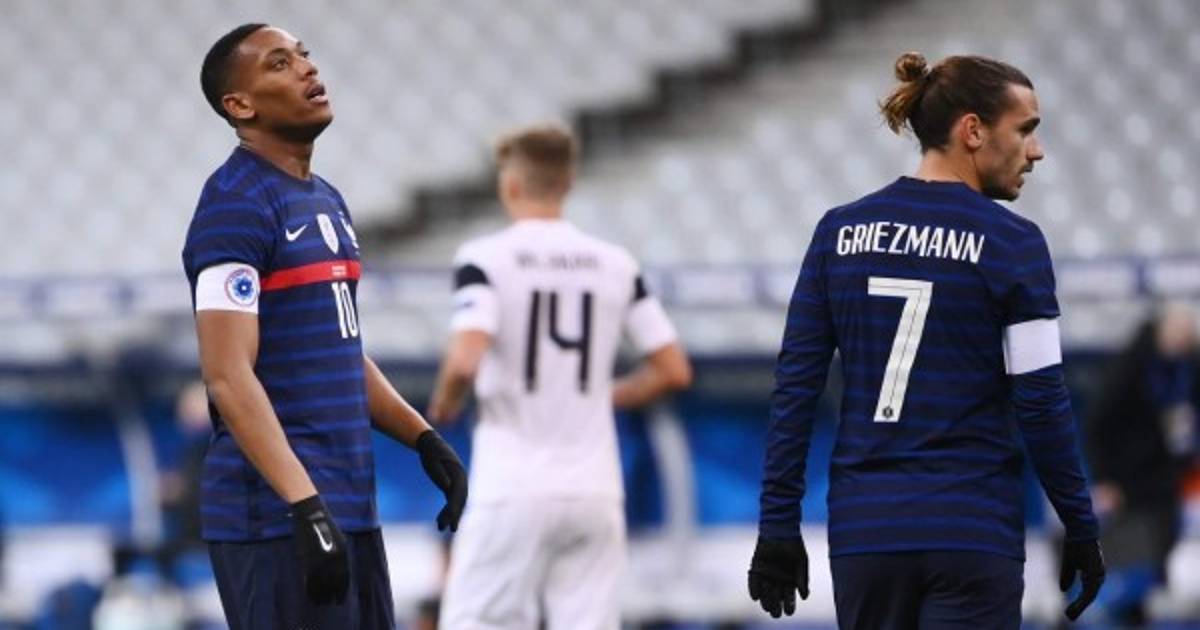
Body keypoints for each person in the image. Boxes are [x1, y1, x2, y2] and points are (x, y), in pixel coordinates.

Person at [747, 52, 1105, 628]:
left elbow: (795, 388)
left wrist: (777, 524)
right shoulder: (1013, 242)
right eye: (1026, 130)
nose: (1036, 151)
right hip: (971, 528)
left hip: (867, 532)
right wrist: (1080, 524)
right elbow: (1041, 402)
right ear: (973, 131)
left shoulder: (838, 233)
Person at [182, 23, 468, 630]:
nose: (308, 69)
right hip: (277, 518)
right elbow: (227, 375)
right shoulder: (233, 204)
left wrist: (424, 440)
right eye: (279, 64)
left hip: (349, 507)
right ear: (240, 105)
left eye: (304, 56)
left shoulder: (327, 200)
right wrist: (304, 503)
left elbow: (340, 349)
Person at [428, 124, 693, 630]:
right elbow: (673, 369)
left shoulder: (486, 258)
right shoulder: (615, 263)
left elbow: (464, 360)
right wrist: (604, 395)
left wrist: (446, 402)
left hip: (512, 486)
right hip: (594, 490)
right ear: (568, 184)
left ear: (510, 185)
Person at [1086, 303, 1199, 625]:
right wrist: (1104, 478)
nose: (1183, 341)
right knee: (1132, 559)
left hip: (1166, 478)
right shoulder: (1130, 367)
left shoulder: (1187, 368)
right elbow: (1098, 424)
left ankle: (1141, 609)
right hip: (1127, 481)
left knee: (1162, 549)